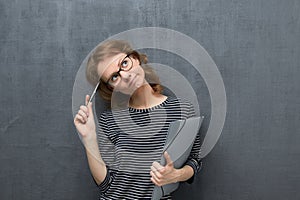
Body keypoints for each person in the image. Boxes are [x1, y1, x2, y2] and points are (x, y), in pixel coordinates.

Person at [74, 40, 202, 200]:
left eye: (124, 63)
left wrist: (176, 175)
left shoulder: (182, 110)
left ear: (135, 58)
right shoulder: (109, 121)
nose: (125, 76)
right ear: (111, 88)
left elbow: (194, 161)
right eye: (114, 77)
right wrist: (89, 138)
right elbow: (106, 185)